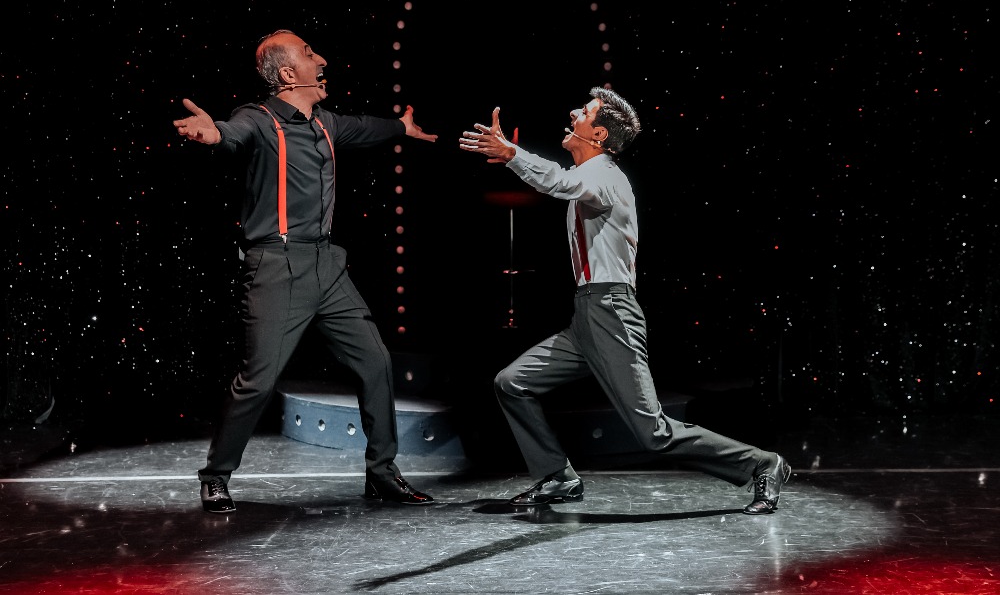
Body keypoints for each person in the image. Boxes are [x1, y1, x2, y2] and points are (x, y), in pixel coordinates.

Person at [458, 86, 791, 514]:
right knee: (512, 383)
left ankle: (762, 464)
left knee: (653, 433)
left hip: (611, 310)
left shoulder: (605, 177)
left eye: (585, 112)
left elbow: (559, 181)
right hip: (588, 313)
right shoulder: (593, 175)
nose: (573, 112)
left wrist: (513, 154)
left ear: (598, 134)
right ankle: (556, 475)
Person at [172, 29, 438, 513]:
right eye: (310, 53)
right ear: (289, 73)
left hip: (327, 265)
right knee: (258, 380)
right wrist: (214, 135)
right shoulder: (258, 119)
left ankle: (382, 473)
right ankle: (216, 475)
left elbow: (366, 127)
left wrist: (400, 128)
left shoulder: (326, 123)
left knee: (375, 362)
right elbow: (232, 134)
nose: (323, 59)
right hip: (277, 266)